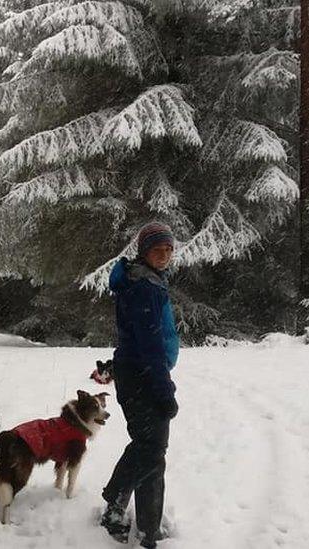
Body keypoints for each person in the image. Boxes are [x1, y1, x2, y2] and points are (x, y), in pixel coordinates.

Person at [100, 221, 180, 547]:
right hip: (142, 376)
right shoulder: (145, 287)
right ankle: (114, 505)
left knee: (152, 450)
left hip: (141, 372)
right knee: (151, 451)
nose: (164, 255)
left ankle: (149, 527)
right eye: (158, 249)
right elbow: (149, 345)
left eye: (169, 249)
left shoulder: (148, 280)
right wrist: (164, 389)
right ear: (144, 252)